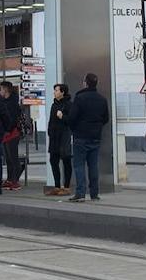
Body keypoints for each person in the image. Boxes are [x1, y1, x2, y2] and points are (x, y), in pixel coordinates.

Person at [66, 72, 109, 202]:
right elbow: (105, 118)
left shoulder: (80, 98)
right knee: (93, 165)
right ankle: (94, 193)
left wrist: (74, 128)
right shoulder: (102, 99)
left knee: (79, 165)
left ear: (85, 83)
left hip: (81, 136)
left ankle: (80, 193)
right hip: (95, 136)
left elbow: (72, 117)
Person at [46, 83, 73, 196]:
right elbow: (51, 120)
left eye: (57, 90)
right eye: (54, 90)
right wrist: (49, 131)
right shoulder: (54, 105)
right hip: (54, 137)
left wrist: (62, 117)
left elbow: (71, 120)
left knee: (66, 160)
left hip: (64, 136)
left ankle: (66, 187)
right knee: (53, 161)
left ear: (62, 92)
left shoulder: (68, 104)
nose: (55, 92)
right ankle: (57, 186)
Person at [0, 81, 24, 190]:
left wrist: (8, 129)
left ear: (6, 90)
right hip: (6, 133)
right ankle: (10, 179)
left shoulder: (12, 103)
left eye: (1, 89)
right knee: (8, 158)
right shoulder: (4, 102)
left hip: (12, 133)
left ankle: (15, 180)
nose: (0, 92)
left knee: (13, 157)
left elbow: (12, 119)